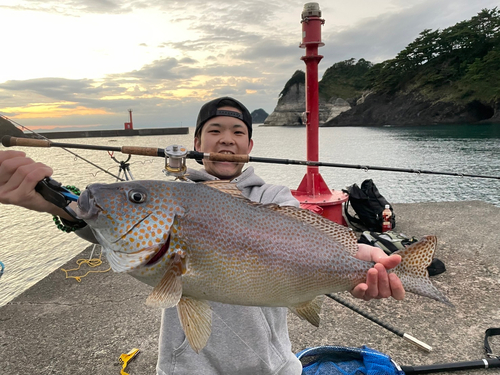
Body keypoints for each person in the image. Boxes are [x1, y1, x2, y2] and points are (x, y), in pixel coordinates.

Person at [0, 97, 404, 375]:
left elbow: (299, 236)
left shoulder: (274, 197)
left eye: (237, 132)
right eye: (214, 130)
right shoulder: (172, 198)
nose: (226, 139)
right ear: (197, 143)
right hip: (185, 367)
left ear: (250, 144)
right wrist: (55, 203)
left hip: (272, 366)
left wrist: (357, 261)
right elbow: (104, 224)